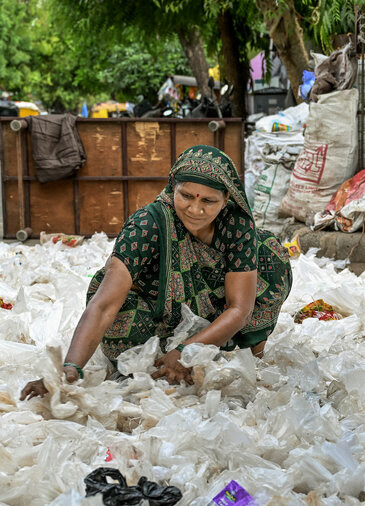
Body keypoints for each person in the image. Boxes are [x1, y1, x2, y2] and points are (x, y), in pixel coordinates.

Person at [21, 145, 292, 399]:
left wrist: (187, 352)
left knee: (269, 252)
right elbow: (105, 304)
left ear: (226, 199)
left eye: (209, 201)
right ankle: (155, 364)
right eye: (186, 196)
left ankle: (247, 350)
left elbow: (239, 310)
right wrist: (70, 369)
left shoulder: (236, 224)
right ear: (172, 187)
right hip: (157, 319)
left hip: (214, 319)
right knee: (113, 294)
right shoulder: (148, 224)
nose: (195, 209)